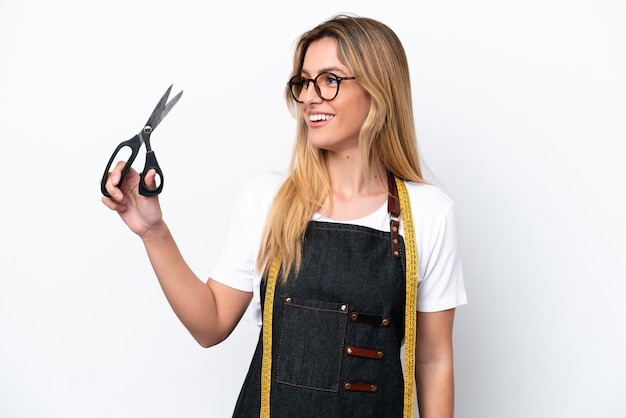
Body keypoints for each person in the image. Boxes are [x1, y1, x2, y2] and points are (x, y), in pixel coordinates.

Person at [102, 14, 467, 418]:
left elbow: (434, 361)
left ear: (378, 91)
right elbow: (211, 325)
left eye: (330, 80)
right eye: (304, 82)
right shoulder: (269, 197)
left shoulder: (428, 213)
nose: (310, 96)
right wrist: (153, 231)